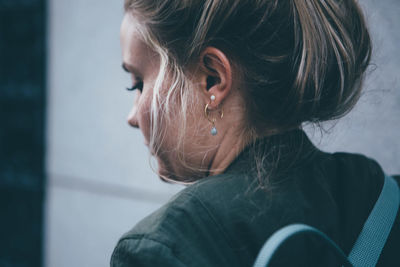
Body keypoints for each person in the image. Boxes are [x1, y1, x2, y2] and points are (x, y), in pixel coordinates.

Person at [111, 0, 399, 266]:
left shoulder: (165, 248)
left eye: (137, 83)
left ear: (212, 79)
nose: (132, 117)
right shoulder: (386, 198)